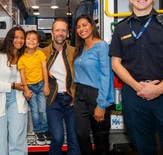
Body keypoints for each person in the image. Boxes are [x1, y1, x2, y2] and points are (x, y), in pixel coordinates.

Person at [109, 0, 163, 155]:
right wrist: (137, 87)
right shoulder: (121, 28)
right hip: (135, 96)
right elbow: (116, 64)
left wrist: (160, 88)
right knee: (142, 146)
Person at [0, 26, 30, 155]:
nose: (20, 40)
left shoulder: (25, 58)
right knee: (0, 144)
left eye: (22, 38)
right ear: (10, 39)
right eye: (16, 37)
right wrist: (12, 85)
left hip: (18, 101)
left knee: (18, 141)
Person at [73, 14, 114, 155]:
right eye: (78, 27)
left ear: (92, 25)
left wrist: (101, 104)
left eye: (84, 25)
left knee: (100, 139)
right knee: (81, 134)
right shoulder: (81, 47)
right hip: (80, 95)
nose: (81, 29)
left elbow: (106, 75)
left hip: (96, 94)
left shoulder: (101, 45)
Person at [41, 18, 81, 155]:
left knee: (74, 138)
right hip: (53, 100)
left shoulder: (75, 51)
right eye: (57, 30)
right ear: (52, 33)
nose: (60, 33)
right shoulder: (42, 53)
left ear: (68, 33)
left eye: (63, 30)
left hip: (72, 100)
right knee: (57, 137)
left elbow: (82, 75)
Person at [18, 30, 50, 145]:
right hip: (30, 87)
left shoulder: (40, 54)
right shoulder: (21, 57)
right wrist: (25, 89)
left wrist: (46, 85)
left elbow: (44, 69)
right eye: (29, 38)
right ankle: (38, 131)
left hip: (41, 85)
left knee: (43, 110)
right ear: (25, 41)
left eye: (34, 39)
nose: (31, 41)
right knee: (35, 112)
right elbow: (22, 74)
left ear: (38, 43)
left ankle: (45, 130)